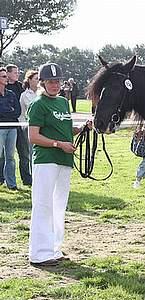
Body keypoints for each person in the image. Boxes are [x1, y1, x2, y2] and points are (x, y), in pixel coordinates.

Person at [28, 62, 90, 266]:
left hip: (64, 160)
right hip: (46, 160)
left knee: (58, 206)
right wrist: (58, 144)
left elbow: (65, 128)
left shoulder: (63, 103)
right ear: (43, 83)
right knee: (43, 205)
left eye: (57, 81)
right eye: (51, 82)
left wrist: (81, 129)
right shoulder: (38, 104)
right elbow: (33, 136)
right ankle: (39, 253)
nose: (55, 85)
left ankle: (53, 248)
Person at [0, 67, 21, 190]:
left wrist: (6, 113)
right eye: (3, 76)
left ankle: (11, 184)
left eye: (6, 76)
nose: (6, 78)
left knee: (10, 157)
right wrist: (8, 112)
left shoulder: (11, 94)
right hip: (1, 128)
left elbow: (17, 111)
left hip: (12, 128)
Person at [19, 70, 39, 181]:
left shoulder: (41, 93)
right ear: (29, 80)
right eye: (36, 78)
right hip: (28, 127)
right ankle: (31, 177)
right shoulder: (25, 95)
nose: (38, 81)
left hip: (41, 126)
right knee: (30, 153)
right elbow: (32, 110)